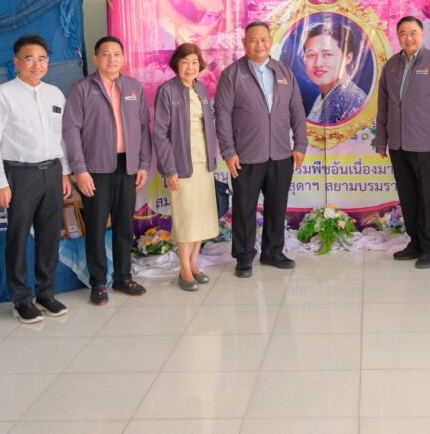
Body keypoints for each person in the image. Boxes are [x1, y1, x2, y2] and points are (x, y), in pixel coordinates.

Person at [0, 34, 72, 323]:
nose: (37, 64)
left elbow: (61, 138)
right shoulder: (1, 95)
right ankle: (21, 300)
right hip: (19, 174)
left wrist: (65, 172)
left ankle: (46, 294)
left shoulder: (55, 94)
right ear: (17, 62)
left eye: (42, 59)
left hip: (52, 172)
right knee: (18, 237)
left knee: (49, 235)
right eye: (30, 59)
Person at [62, 36, 151, 305]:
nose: (112, 59)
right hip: (95, 169)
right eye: (106, 54)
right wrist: (80, 170)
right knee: (96, 226)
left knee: (124, 225)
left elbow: (144, 128)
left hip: (128, 167)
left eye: (116, 54)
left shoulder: (133, 87)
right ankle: (98, 282)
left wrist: (143, 164)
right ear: (96, 58)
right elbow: (71, 130)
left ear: (123, 58)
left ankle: (124, 277)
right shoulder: (82, 89)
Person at [215, 21, 308, 278]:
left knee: (277, 206)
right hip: (245, 156)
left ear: (271, 41)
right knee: (244, 208)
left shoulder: (283, 71)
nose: (259, 44)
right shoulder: (232, 74)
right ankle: (244, 257)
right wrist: (228, 151)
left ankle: (272, 252)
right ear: (244, 43)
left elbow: (297, 109)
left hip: (281, 153)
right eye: (253, 40)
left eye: (264, 39)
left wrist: (300, 144)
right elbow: (222, 115)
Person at [375, 16, 430, 268]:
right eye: (403, 33)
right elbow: (383, 106)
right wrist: (381, 140)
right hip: (398, 145)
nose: (408, 38)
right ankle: (415, 243)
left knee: (428, 198)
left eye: (413, 33)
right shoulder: (391, 65)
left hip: (426, 145)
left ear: (422, 34)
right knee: (408, 197)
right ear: (397, 36)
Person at [153, 43, 220, 292]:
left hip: (204, 162)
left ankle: (194, 264)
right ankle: (183, 269)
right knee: (186, 218)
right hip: (181, 165)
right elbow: (160, 134)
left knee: (200, 216)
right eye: (185, 62)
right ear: (176, 64)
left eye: (194, 62)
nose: (190, 67)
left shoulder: (201, 89)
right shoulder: (167, 91)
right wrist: (169, 169)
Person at [301, 21, 367, 124]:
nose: (318, 63)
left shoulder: (351, 100)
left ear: (347, 58)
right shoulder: (325, 95)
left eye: (327, 54)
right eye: (311, 55)